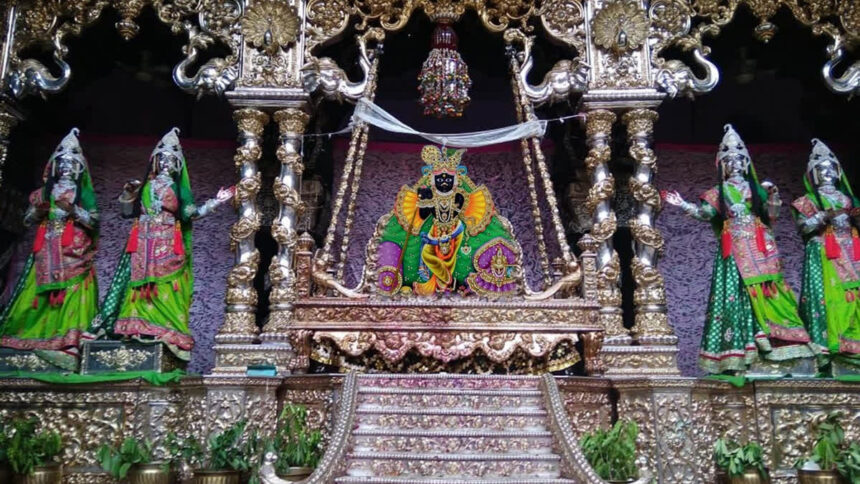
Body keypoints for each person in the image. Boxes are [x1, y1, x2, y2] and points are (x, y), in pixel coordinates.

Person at [663, 124, 814, 373]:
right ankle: (745, 349)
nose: (734, 164)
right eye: (729, 161)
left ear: (745, 163)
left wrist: (774, 195)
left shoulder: (756, 190)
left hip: (760, 246)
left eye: (738, 160)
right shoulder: (717, 193)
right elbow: (705, 214)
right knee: (737, 294)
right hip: (734, 250)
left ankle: (781, 343)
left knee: (771, 289)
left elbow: (771, 216)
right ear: (722, 166)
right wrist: (683, 205)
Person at [93, 128, 233, 362]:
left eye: (171, 160)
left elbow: (191, 214)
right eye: (163, 159)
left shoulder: (179, 190)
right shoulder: (144, 186)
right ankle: (135, 329)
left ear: (178, 165)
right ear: (155, 161)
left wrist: (215, 203)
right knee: (137, 284)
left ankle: (165, 331)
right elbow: (128, 213)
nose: (167, 163)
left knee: (166, 285)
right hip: (142, 242)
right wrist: (128, 194)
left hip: (167, 241)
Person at [0, 128, 99, 370]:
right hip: (47, 249)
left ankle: (69, 343)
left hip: (73, 249)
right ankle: (30, 339)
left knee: (73, 291)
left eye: (70, 164)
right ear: (54, 167)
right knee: (36, 292)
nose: (66, 168)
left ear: (78, 168)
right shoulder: (43, 193)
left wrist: (74, 210)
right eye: (62, 163)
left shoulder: (82, 193)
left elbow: (94, 221)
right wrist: (38, 211)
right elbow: (26, 220)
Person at [373, 145, 522, 298]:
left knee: (452, 260)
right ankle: (437, 285)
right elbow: (424, 215)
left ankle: (448, 285)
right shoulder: (431, 196)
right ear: (432, 180)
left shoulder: (459, 197)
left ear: (456, 181)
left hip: (455, 231)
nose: (444, 181)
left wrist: (447, 237)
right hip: (435, 230)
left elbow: (457, 218)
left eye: (448, 178)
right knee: (426, 254)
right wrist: (424, 200)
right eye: (439, 178)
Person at [791, 139, 860, 366]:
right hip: (824, 252)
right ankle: (831, 345)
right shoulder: (807, 201)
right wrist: (824, 216)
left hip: (851, 250)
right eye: (821, 170)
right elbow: (804, 228)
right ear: (812, 175)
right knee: (830, 297)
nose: (827, 173)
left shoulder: (848, 199)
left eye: (831, 169)